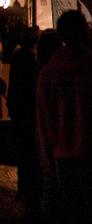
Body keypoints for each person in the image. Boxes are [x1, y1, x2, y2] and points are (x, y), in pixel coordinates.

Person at [36, 10, 92, 224]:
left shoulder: (48, 73)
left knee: (70, 211)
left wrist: (47, 158)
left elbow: (43, 119)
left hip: (62, 154)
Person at [7, 27, 41, 221]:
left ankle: (25, 189)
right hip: (28, 116)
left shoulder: (19, 58)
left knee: (24, 155)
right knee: (31, 156)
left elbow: (14, 90)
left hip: (21, 115)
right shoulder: (30, 61)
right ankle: (30, 192)